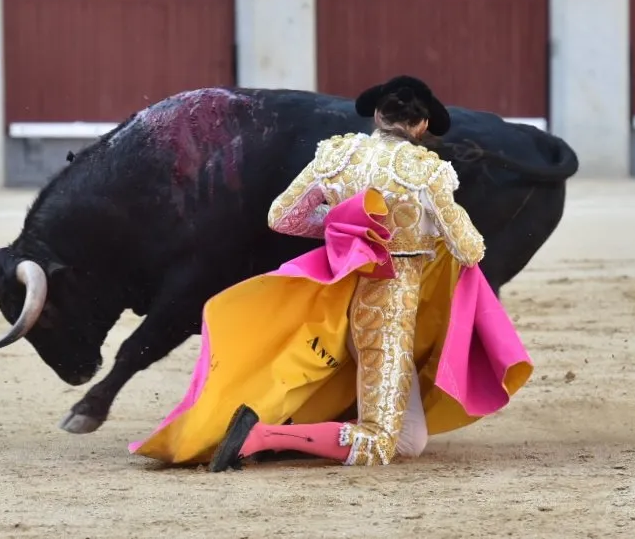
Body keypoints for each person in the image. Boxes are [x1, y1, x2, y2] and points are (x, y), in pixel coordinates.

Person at [129, 76, 533, 471]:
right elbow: (470, 248)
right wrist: (419, 230)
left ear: (378, 115)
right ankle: (261, 436)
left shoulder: (337, 156)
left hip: (334, 294)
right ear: (423, 125)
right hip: (385, 312)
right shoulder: (426, 172)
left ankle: (295, 433)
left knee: (411, 441)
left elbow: (282, 216)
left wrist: (346, 224)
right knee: (380, 442)